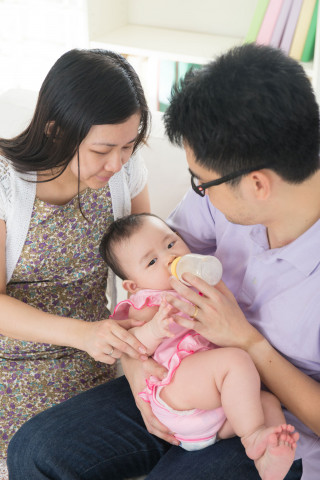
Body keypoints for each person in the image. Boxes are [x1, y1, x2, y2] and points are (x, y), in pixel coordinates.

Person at [7, 43, 318, 479]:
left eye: (202, 181)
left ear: (258, 185)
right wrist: (138, 374)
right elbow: (145, 270)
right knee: (36, 451)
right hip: (172, 374)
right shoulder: (219, 198)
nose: (199, 192)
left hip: (272, 417)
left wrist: (247, 342)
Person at [0, 48, 152, 471]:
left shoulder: (124, 171)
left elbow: (143, 262)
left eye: (129, 145)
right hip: (13, 365)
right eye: (103, 149)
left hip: (94, 357)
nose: (118, 162)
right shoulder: (6, 186)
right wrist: (83, 334)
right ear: (55, 130)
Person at [102, 211, 299, 479]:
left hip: (217, 414)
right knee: (235, 362)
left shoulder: (198, 283)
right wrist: (154, 330)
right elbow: (132, 345)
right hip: (176, 390)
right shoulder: (148, 303)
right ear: (133, 286)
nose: (170, 257)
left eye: (171, 243)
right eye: (152, 261)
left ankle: (269, 459)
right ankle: (252, 436)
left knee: (267, 402)